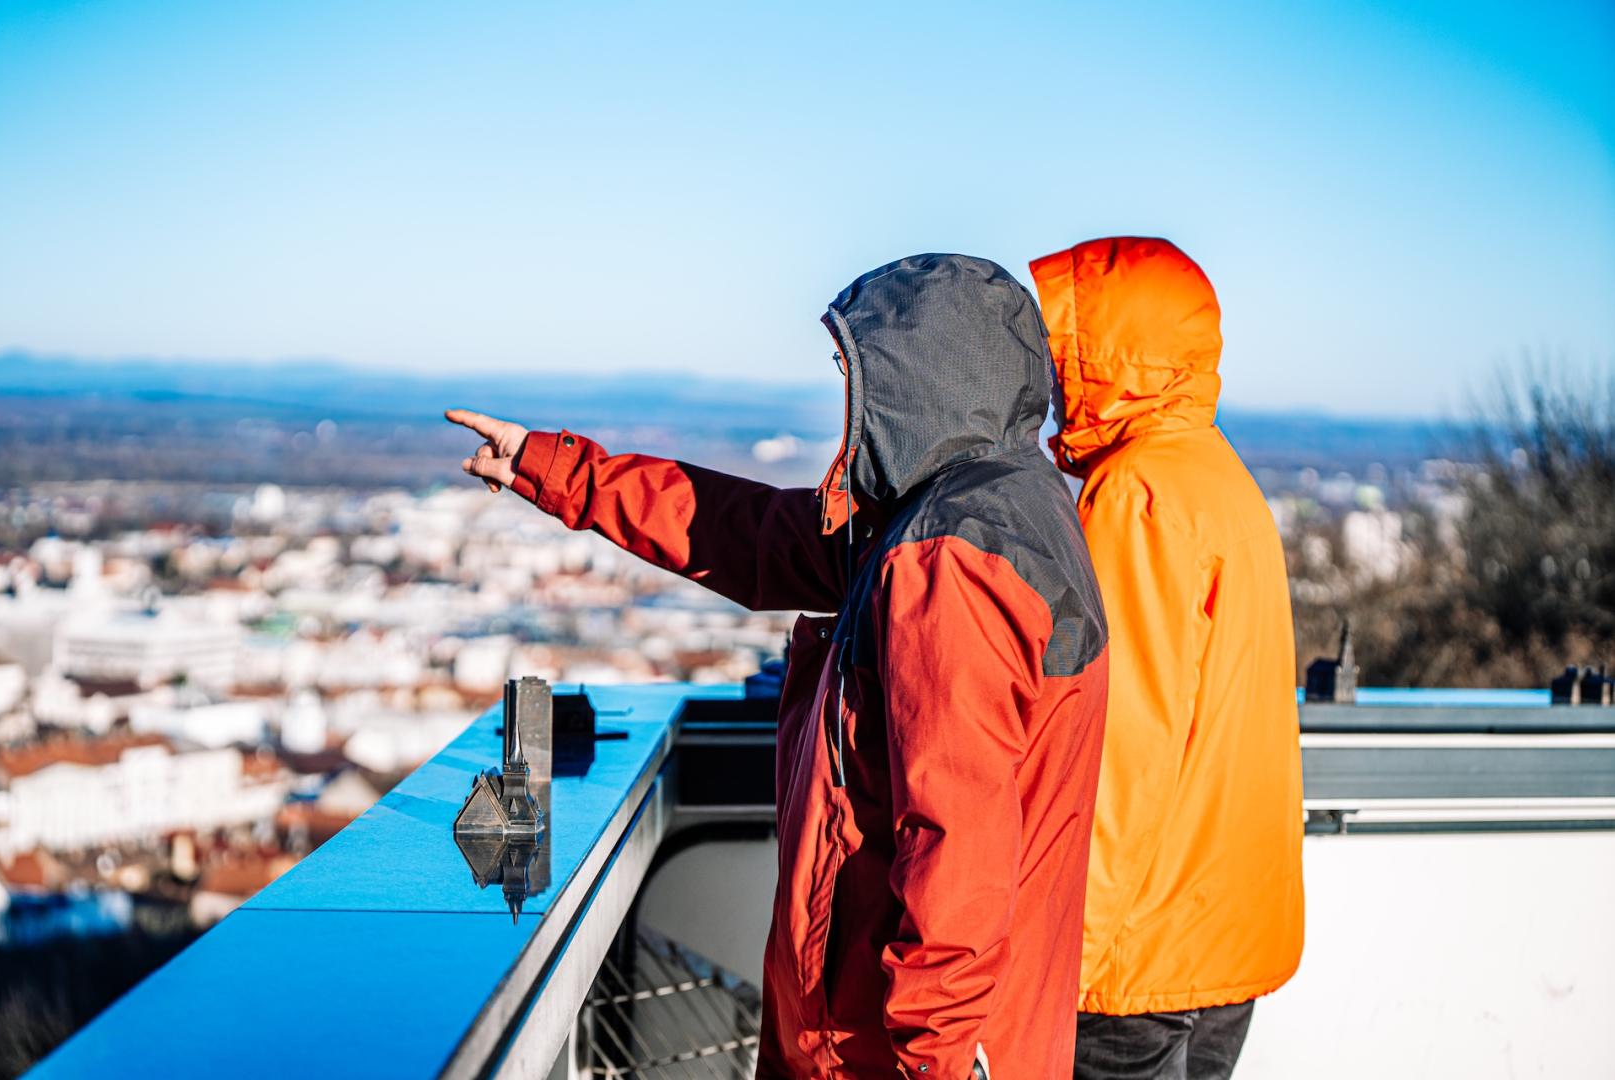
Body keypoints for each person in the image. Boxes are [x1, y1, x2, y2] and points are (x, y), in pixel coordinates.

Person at [448, 253, 1110, 1079]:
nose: (849, 394)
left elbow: (958, 849)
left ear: (921, 379)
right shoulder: (980, 511)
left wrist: (937, 1061)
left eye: (855, 369)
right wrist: (559, 471)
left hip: (885, 1052)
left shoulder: (950, 561)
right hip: (910, 1034)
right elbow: (745, 532)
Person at [1027, 237, 1305, 1080]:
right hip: (1223, 937)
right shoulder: (1218, 475)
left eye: (1063, 345)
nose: (1049, 373)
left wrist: (1065, 955)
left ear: (1110, 354)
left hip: (1135, 960)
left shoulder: (1138, 492)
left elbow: (1118, 744)